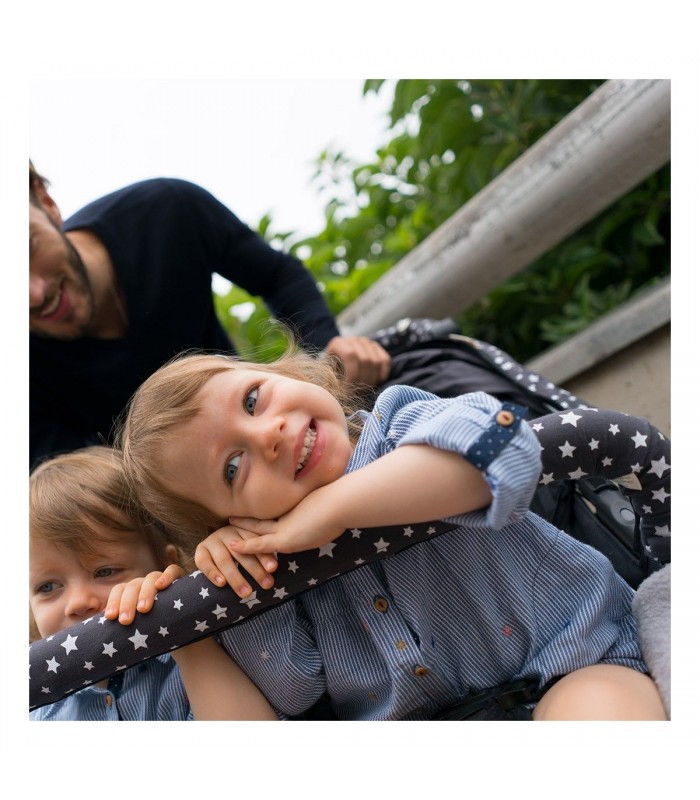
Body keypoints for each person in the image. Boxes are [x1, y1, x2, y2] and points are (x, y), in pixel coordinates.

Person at [116, 346, 667, 721]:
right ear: (229, 520)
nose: (271, 435)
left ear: (288, 374)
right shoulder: (280, 559)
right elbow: (294, 686)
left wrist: (333, 510)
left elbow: (501, 454)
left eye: (253, 400)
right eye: (233, 468)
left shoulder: (401, 426)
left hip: (572, 660)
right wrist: (240, 581)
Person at [29, 162, 390, 469]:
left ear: (45, 200)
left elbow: (277, 275)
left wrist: (327, 349)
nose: (33, 294)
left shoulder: (165, 211)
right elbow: (71, 481)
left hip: (274, 439)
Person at [29, 446, 278, 721]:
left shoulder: (197, 660)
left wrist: (181, 629)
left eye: (105, 571)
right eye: (48, 587)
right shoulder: (37, 707)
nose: (77, 602)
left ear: (163, 564)